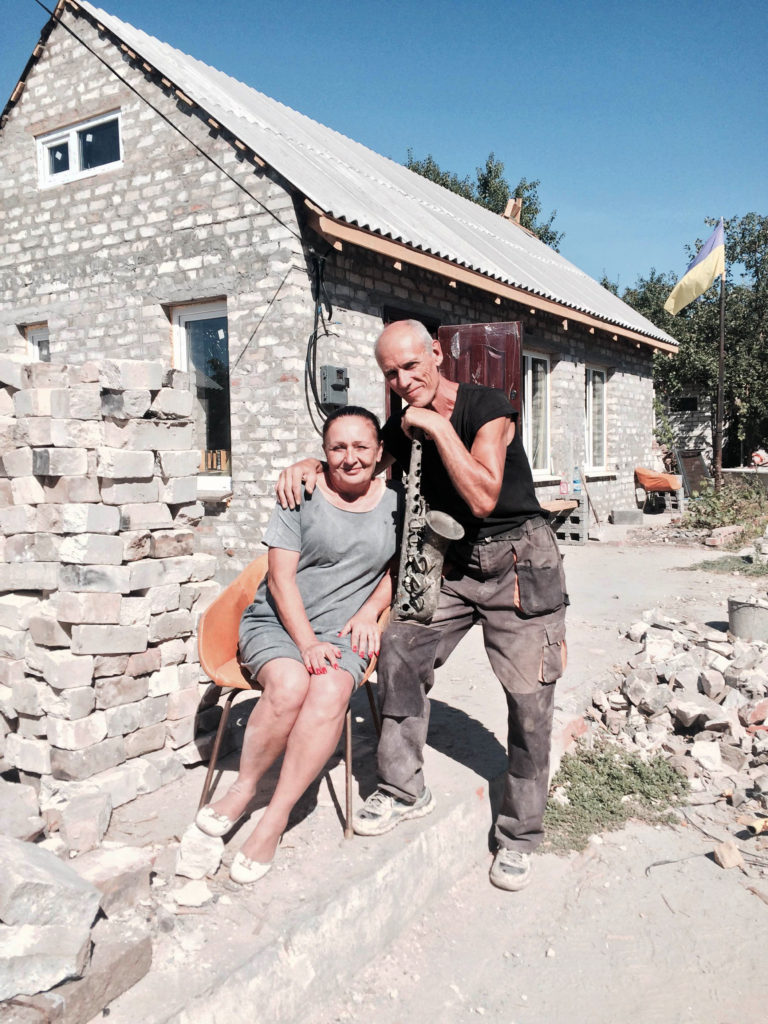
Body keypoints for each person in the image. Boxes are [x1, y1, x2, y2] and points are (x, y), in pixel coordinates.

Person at [277, 320, 568, 892]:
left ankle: (519, 834)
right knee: (399, 652)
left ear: (437, 354)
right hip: (452, 565)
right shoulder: (400, 423)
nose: (403, 380)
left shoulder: (489, 407)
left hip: (518, 564)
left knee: (529, 699)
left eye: (412, 367)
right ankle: (403, 787)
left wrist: (435, 425)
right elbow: (357, 459)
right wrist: (310, 465)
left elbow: (483, 495)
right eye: (391, 373)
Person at [196, 406, 401, 884]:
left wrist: (371, 611)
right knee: (288, 686)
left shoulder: (398, 504)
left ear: (379, 452)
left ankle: (276, 816)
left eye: (361, 447)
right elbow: (282, 581)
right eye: (337, 447)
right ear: (323, 452)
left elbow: (399, 571)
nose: (350, 458)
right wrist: (306, 643)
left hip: (349, 631)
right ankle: (244, 789)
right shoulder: (301, 492)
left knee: (329, 692)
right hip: (280, 623)